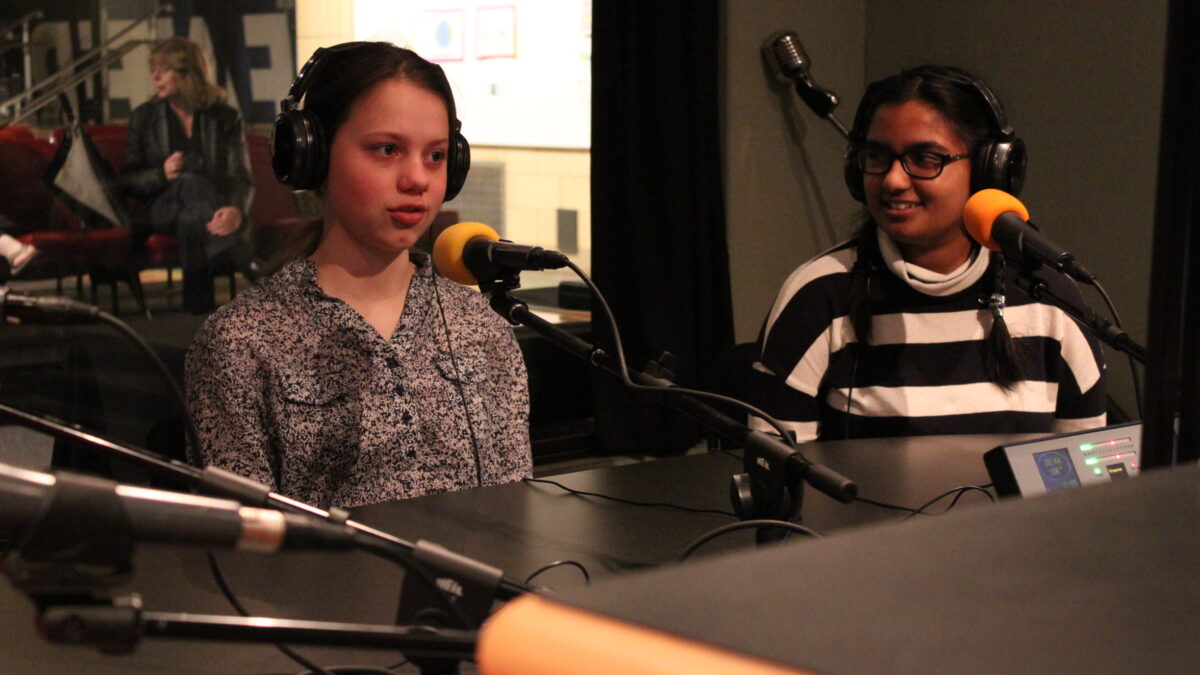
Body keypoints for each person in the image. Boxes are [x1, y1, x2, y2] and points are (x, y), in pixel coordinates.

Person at [185, 42, 531, 509]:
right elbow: (240, 545)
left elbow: (517, 512)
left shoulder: (481, 327)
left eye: (436, 155)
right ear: (313, 155)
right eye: (387, 150)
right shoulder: (241, 343)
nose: (418, 179)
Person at [753, 65, 1107, 443]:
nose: (892, 180)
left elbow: (1086, 480)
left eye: (925, 159)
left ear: (990, 171)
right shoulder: (818, 297)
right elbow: (778, 481)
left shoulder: (1049, 297)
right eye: (877, 157)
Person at [118, 36, 253, 313]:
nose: (155, 76)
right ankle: (239, 253)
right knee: (189, 182)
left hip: (203, 210)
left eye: (163, 69)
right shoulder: (144, 117)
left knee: (193, 218)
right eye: (153, 68)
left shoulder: (225, 117)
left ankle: (197, 313)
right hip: (157, 210)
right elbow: (127, 181)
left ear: (187, 73)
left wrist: (235, 210)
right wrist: (161, 173)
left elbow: (240, 175)